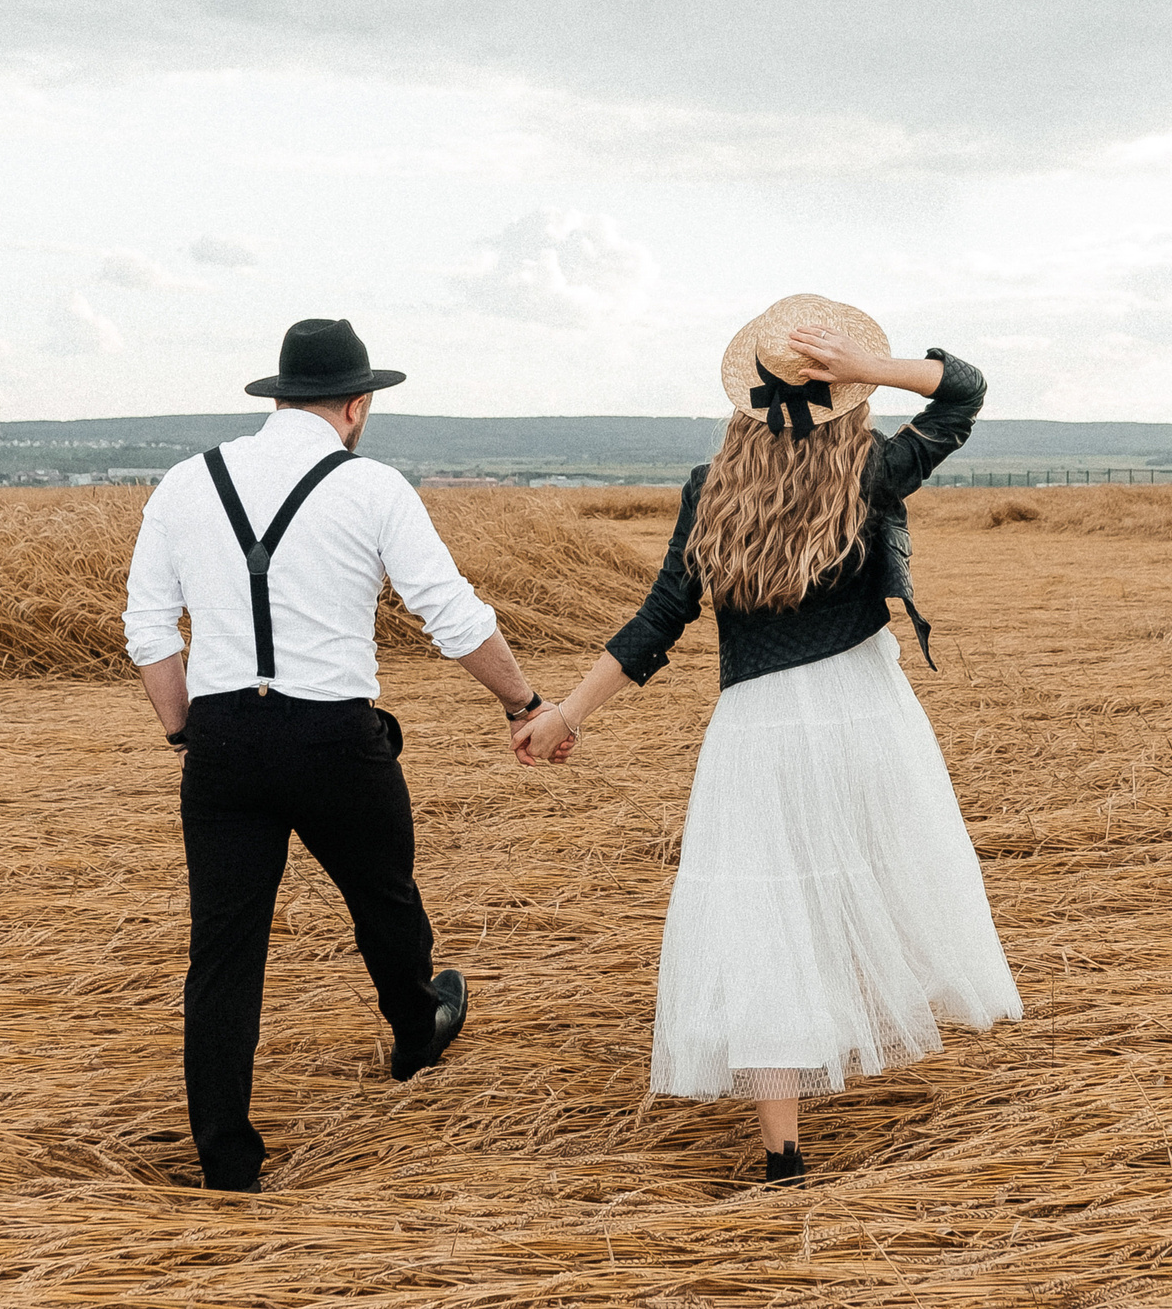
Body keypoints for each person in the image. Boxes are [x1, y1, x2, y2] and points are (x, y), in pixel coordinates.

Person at [511, 294, 1022, 1185]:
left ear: (745, 397)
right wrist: (869, 368)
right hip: (866, 719)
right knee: (868, 881)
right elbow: (965, 391)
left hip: (758, 731)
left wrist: (567, 713)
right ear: (844, 395)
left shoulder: (712, 487)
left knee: (766, 916)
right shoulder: (870, 470)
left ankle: (782, 1147)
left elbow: (660, 618)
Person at [123, 317, 553, 1192]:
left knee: (223, 952)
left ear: (280, 397)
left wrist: (186, 732)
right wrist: (524, 702)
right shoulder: (374, 487)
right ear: (356, 405)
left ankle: (226, 1160)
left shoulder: (186, 482)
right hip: (334, 740)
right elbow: (452, 615)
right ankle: (416, 1029)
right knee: (384, 896)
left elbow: (148, 629)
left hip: (223, 739)